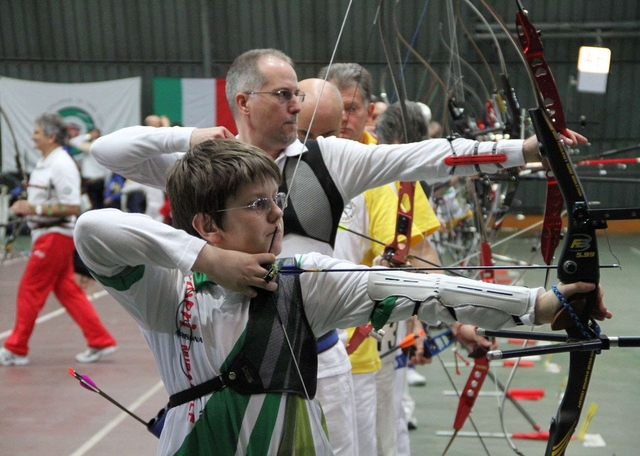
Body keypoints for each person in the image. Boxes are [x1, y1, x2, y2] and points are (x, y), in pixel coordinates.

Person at [91, 48, 588, 453]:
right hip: (211, 333)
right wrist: (192, 139)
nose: (295, 105)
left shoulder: (327, 157)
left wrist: (522, 151)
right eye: (284, 94)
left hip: (316, 341)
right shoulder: (203, 165)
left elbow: (420, 158)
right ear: (244, 102)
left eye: (298, 94)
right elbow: (105, 159)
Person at [0, 113, 117, 367]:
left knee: (30, 289)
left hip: (55, 236)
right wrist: (29, 206)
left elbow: (71, 206)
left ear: (51, 137)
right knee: (68, 291)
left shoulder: (61, 164)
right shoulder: (47, 162)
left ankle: (16, 347)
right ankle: (100, 339)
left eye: (37, 133)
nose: (33, 136)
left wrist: (33, 210)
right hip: (46, 235)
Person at [69, 128, 109, 210]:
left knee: (94, 208)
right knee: (98, 207)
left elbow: (73, 141)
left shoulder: (93, 146)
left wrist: (88, 136)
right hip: (98, 182)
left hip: (93, 183)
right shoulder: (104, 147)